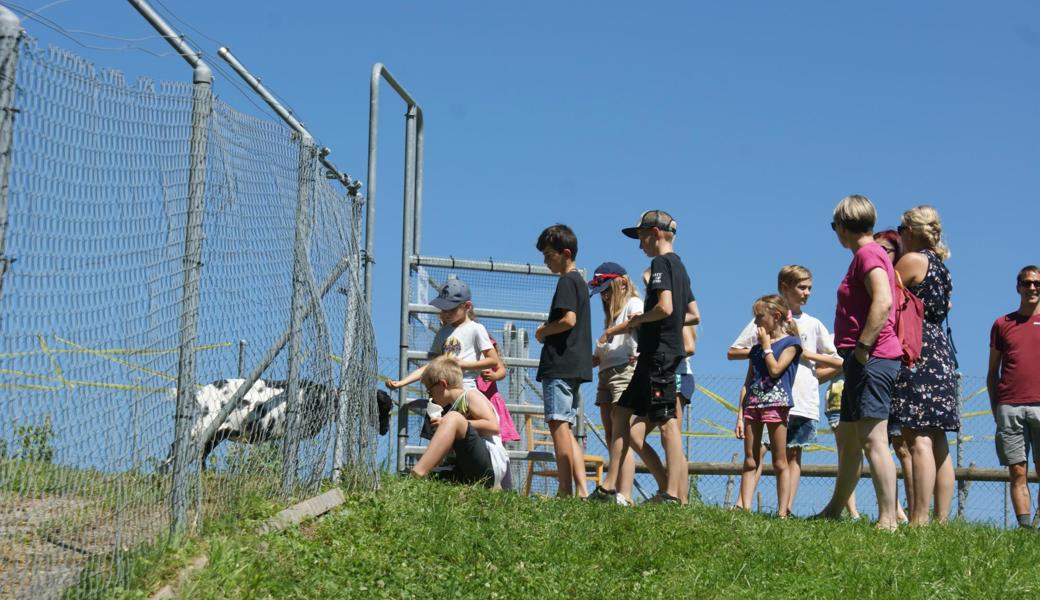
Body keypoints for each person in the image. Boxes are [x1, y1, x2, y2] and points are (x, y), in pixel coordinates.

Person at [816, 195, 902, 530]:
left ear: (841, 226)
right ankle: (835, 509)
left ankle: (888, 519)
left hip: (873, 357)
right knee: (850, 438)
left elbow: (882, 300)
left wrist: (864, 347)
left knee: (873, 438)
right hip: (859, 358)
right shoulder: (869, 254)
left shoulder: (868, 254)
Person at [728, 265, 843, 514]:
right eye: (802, 287)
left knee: (792, 455)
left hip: (801, 399)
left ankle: (786, 508)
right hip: (763, 398)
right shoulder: (765, 319)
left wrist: (804, 358)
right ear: (784, 288)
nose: (807, 293)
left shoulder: (813, 325)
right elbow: (733, 351)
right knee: (758, 450)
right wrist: (766, 348)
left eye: (810, 288)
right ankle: (742, 504)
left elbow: (837, 361)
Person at [604, 210, 698, 505]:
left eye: (642, 236)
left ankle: (671, 494)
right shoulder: (679, 267)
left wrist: (639, 320)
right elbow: (693, 314)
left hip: (660, 355)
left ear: (655, 234)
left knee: (667, 421)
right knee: (621, 413)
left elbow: (666, 307)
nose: (639, 244)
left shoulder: (660, 263)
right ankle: (608, 487)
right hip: (653, 355)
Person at [889, 207, 959, 526]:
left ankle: (919, 518)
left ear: (913, 231)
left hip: (916, 348)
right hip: (940, 352)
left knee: (917, 436)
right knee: (938, 439)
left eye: (902, 228)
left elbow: (886, 295)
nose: (899, 234)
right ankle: (942, 520)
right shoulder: (942, 268)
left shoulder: (913, 261)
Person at [534, 224, 594, 498]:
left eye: (548, 255)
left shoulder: (567, 281)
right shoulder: (580, 282)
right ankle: (580, 489)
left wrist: (543, 331)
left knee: (557, 423)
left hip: (560, 364)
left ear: (565, 253)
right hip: (575, 365)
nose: (546, 261)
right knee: (566, 426)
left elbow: (568, 320)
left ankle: (565, 488)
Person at [735, 295, 802, 517]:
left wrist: (766, 347)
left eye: (759, 317)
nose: (756, 323)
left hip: (776, 404)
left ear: (776, 316)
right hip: (753, 405)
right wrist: (740, 415)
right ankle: (744, 507)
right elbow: (748, 382)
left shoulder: (791, 344)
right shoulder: (755, 349)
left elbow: (775, 370)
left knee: (779, 460)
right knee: (750, 458)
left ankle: (782, 512)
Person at [987, 265, 1040, 530]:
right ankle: (1025, 530)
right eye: (1026, 283)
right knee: (1017, 471)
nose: (1032, 288)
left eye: (1036, 283)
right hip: (1010, 406)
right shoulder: (1002, 324)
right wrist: (995, 408)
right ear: (1018, 286)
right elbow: (992, 372)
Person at [408, 356, 510, 488]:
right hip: (467, 468)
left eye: (430, 391)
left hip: (489, 463)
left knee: (453, 418)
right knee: (432, 480)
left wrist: (455, 422)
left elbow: (493, 427)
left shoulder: (471, 395)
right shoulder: (452, 409)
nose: (431, 397)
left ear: (443, 384)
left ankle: (417, 473)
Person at [587, 262, 642, 505]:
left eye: (607, 290)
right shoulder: (611, 315)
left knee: (623, 434)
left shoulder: (633, 303)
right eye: (602, 293)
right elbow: (602, 350)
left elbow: (637, 324)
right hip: (606, 373)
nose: (605, 297)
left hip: (624, 373)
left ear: (621, 283)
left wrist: (607, 336)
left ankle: (625, 494)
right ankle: (615, 488)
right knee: (611, 435)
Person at [386, 278, 499, 392]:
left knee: (484, 410)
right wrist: (401, 382)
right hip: (443, 392)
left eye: (451, 309)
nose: (446, 313)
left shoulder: (476, 329)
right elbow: (432, 366)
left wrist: (465, 365)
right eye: (443, 309)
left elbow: (493, 360)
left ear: (467, 306)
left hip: (466, 389)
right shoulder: (442, 333)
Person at [874, 229, 913, 524]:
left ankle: (913, 512)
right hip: (886, 363)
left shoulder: (897, 287)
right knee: (883, 441)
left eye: (885, 249)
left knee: (901, 444)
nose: (878, 254)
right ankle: (897, 509)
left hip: (897, 364)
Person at [822, 374, 860, 519]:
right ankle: (852, 512)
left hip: (865, 395)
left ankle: (897, 512)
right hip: (838, 400)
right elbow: (819, 373)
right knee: (846, 457)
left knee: (875, 452)